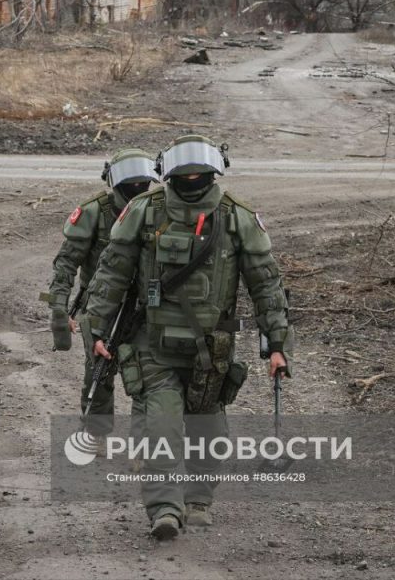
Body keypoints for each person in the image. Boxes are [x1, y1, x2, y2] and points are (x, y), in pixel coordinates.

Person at [80, 134, 291, 540]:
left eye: (199, 172)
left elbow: (266, 285)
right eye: (185, 172)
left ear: (213, 171)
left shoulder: (236, 218)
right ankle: (164, 509)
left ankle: (198, 500)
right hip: (152, 344)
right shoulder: (143, 213)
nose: (192, 177)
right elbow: (111, 275)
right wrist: (97, 332)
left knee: (208, 434)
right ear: (168, 172)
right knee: (159, 426)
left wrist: (278, 346)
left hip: (211, 352)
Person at [41, 148, 158, 443]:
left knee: (145, 375)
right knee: (99, 372)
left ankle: (145, 442)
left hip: (143, 308)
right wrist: (60, 307)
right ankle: (96, 434)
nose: (137, 187)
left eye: (142, 180)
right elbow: (66, 262)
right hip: (100, 305)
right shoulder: (94, 211)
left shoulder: (157, 210)